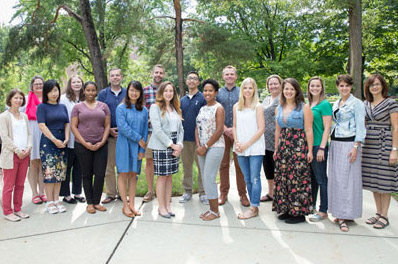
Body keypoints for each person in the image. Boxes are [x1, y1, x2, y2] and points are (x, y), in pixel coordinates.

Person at [273, 78, 314, 224]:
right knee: (283, 178)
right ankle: (286, 209)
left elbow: (308, 130)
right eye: (286, 89)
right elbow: (278, 130)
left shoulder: (304, 107)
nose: (288, 91)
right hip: (283, 147)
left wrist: (309, 151)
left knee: (297, 178)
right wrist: (276, 149)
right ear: (282, 91)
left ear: (296, 91)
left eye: (291, 89)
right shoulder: (279, 108)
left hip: (298, 146)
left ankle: (299, 213)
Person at [328, 74, 365, 232]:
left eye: (347, 86)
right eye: (341, 86)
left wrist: (356, 146)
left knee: (347, 181)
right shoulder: (336, 102)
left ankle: (344, 215)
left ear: (351, 87)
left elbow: (361, 126)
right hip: (336, 143)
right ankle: (339, 212)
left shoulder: (357, 103)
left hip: (349, 144)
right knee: (337, 179)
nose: (344, 88)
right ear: (337, 87)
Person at [362, 74, 398, 229]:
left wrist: (394, 150)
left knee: (384, 180)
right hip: (369, 144)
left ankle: (385, 215)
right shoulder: (366, 103)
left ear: (383, 85)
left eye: (377, 84)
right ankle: (377, 212)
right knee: (373, 180)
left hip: (385, 143)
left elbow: (396, 127)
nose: (374, 87)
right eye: (371, 85)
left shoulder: (391, 103)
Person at [71, 81, 111, 214]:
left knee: (100, 174)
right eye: (88, 90)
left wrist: (102, 141)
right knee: (87, 174)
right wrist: (84, 143)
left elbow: (107, 126)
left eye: (93, 90)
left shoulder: (104, 106)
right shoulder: (78, 107)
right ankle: (89, 203)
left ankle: (97, 201)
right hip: (82, 146)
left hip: (101, 145)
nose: (90, 93)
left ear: (97, 91)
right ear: (84, 91)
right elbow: (73, 127)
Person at [148, 81, 184, 218]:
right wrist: (171, 144)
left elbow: (181, 129)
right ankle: (161, 207)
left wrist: (179, 145)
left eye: (171, 91)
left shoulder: (175, 108)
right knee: (162, 177)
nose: (169, 93)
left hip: (175, 144)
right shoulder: (155, 107)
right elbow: (157, 130)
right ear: (161, 93)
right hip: (162, 145)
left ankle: (168, 206)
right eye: (166, 91)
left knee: (169, 176)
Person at [216, 65, 249, 206]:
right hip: (222, 133)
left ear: (236, 76)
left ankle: (243, 195)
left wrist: (234, 129)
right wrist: (224, 128)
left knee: (240, 165)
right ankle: (223, 193)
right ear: (223, 76)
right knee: (223, 165)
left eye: (232, 74)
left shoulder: (242, 93)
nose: (229, 76)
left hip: (239, 133)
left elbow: (247, 111)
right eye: (227, 74)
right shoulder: (218, 93)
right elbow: (215, 112)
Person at [233, 78, 265, 219]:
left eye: (250, 88)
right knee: (247, 178)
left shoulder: (258, 106)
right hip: (240, 148)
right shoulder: (236, 107)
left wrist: (247, 144)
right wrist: (237, 142)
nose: (247, 90)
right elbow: (234, 126)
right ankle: (254, 205)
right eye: (245, 88)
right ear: (242, 90)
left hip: (255, 148)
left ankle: (253, 206)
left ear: (254, 90)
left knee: (255, 178)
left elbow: (261, 129)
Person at [116, 81, 148, 218]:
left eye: (137, 90)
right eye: (131, 90)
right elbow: (122, 127)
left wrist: (142, 148)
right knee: (123, 174)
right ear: (127, 91)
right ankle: (125, 205)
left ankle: (132, 205)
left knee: (133, 175)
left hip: (138, 147)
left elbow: (145, 129)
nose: (134, 93)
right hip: (124, 145)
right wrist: (138, 138)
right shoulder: (121, 108)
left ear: (140, 93)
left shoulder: (144, 110)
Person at [37, 80, 69, 214]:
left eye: (56, 90)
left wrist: (67, 138)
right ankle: (49, 201)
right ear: (46, 93)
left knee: (60, 173)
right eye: (50, 91)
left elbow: (67, 123)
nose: (54, 93)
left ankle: (57, 199)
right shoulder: (42, 107)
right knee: (50, 173)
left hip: (62, 142)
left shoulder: (62, 107)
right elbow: (42, 125)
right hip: (48, 142)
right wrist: (54, 139)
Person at [0, 89, 32, 221]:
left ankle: (18, 209)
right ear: (10, 100)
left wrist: (29, 147)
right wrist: (17, 151)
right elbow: (5, 137)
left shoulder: (24, 116)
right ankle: (7, 211)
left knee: (20, 184)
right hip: (11, 155)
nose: (18, 100)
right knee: (8, 186)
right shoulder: (4, 116)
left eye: (20, 98)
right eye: (15, 98)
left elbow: (29, 134)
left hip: (25, 155)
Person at [196, 79, 225, 220]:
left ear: (216, 92)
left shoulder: (218, 108)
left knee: (209, 177)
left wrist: (206, 146)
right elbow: (197, 127)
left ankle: (215, 211)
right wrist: (199, 146)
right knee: (204, 177)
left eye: (210, 90)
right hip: (202, 148)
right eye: (205, 90)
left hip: (215, 147)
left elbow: (219, 130)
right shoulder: (202, 108)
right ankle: (211, 209)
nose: (207, 93)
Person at [97, 68, 126, 204]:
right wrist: (108, 130)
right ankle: (110, 193)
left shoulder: (127, 93)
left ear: (121, 77)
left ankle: (122, 193)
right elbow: (98, 114)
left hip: (124, 136)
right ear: (109, 77)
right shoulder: (103, 94)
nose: (115, 77)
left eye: (117, 75)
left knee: (122, 166)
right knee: (109, 166)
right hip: (108, 136)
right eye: (112, 75)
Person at [306, 77, 332, 222]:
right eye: (312, 86)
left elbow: (327, 127)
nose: (314, 88)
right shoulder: (308, 104)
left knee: (321, 179)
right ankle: (312, 206)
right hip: (309, 146)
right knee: (313, 179)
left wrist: (322, 147)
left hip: (318, 146)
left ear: (322, 88)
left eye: (317, 86)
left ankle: (323, 211)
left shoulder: (325, 104)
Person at [179, 71, 207, 204]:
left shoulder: (202, 98)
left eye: (194, 79)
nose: (191, 81)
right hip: (185, 139)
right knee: (187, 167)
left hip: (200, 140)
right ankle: (187, 191)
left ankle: (203, 193)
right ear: (186, 81)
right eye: (189, 78)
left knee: (202, 167)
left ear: (198, 82)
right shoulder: (182, 100)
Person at [59, 75, 86, 204]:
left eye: (78, 81)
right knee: (67, 167)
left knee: (79, 167)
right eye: (74, 82)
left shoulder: (85, 98)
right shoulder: (63, 99)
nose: (76, 84)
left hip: (82, 138)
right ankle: (66, 194)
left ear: (82, 84)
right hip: (68, 137)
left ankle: (77, 192)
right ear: (70, 84)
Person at [143, 64, 165, 202]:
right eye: (156, 72)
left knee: (163, 163)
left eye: (161, 73)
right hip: (150, 133)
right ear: (152, 73)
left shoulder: (168, 90)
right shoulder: (145, 91)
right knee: (150, 162)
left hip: (164, 134)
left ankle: (163, 192)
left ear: (164, 74)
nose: (158, 75)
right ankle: (150, 191)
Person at [261, 75, 283, 203]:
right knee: (268, 168)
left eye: (276, 83)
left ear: (280, 85)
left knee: (278, 168)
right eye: (271, 84)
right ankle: (271, 193)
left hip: (277, 138)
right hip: (264, 139)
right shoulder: (266, 100)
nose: (273, 86)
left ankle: (279, 195)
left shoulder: (283, 100)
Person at [25, 76, 46, 204]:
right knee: (33, 164)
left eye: (41, 84)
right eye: (36, 84)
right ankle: (34, 193)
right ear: (32, 86)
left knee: (43, 165)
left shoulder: (48, 99)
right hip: (31, 132)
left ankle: (42, 192)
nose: (38, 86)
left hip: (44, 133)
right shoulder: (27, 99)